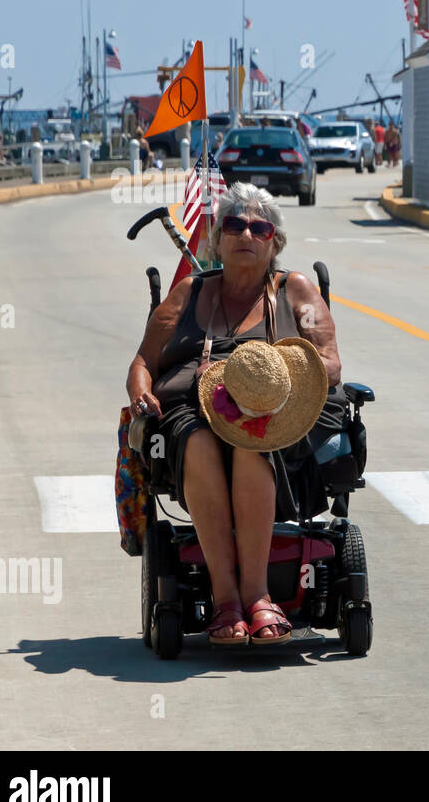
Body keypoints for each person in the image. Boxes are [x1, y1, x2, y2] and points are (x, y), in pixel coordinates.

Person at [125, 183, 343, 645]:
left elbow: (329, 362)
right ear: (217, 239)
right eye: (234, 224)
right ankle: (226, 601)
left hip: (279, 410)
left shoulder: (294, 289)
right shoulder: (190, 291)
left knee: (251, 443)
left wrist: (275, 379)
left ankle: (259, 596)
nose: (246, 233)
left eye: (259, 227)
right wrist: (141, 392)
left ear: (274, 242)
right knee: (202, 444)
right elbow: (144, 361)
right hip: (193, 408)